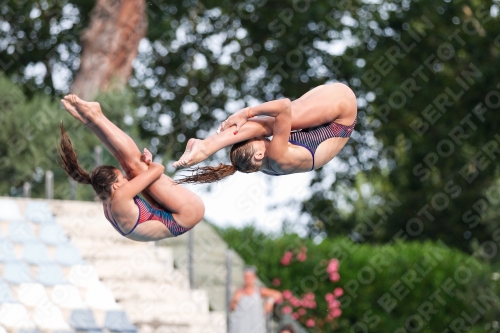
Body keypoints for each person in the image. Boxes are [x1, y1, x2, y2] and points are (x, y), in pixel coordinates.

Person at [58, 94, 205, 241]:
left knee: (131, 166)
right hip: (187, 212)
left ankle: (90, 120)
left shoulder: (109, 204)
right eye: (122, 178)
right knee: (135, 165)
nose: (126, 179)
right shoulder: (120, 196)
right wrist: (148, 163)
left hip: (170, 214)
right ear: (115, 186)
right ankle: (95, 116)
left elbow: (136, 172)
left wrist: (144, 167)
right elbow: (158, 168)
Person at [174, 83, 357, 183]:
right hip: (341, 110)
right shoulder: (277, 157)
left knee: (273, 126)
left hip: (328, 115)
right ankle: (206, 147)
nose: (262, 139)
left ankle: (206, 146)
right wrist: (246, 113)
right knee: (270, 123)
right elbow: (283, 106)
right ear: (260, 154)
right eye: (257, 141)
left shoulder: (266, 167)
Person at [230, 267, 282, 333]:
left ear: (254, 278)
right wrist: (235, 301)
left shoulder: (259, 291)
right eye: (246, 277)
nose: (248, 279)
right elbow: (232, 308)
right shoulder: (239, 292)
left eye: (250, 277)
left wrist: (269, 302)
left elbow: (277, 294)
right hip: (241, 327)